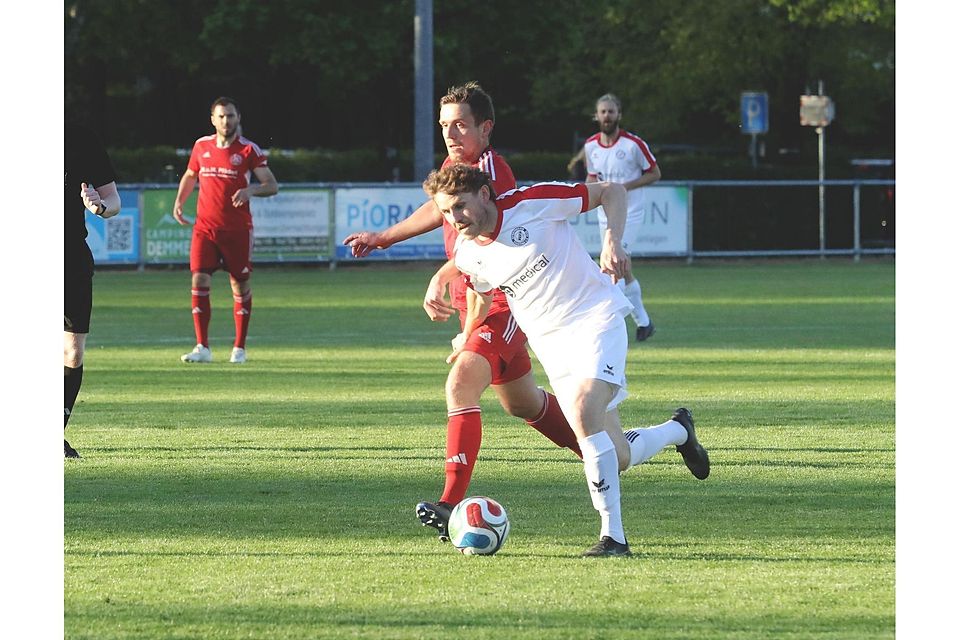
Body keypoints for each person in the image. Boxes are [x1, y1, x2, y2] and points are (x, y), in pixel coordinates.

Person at [423, 163, 710, 557]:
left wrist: (613, 241)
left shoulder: (531, 204)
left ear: (485, 195)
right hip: (552, 347)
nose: (454, 219)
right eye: (445, 212)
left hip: (596, 318)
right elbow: (481, 294)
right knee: (618, 455)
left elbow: (612, 191)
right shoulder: (468, 251)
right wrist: (467, 334)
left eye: (459, 206)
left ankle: (614, 538)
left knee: (581, 411)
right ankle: (679, 430)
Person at [343, 82, 583, 542]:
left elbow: (495, 239)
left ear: (485, 127)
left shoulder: (492, 171)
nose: (450, 134)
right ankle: (610, 450)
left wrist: (444, 275)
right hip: (476, 298)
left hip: (502, 299)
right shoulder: (457, 167)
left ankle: (450, 501)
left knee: (460, 383)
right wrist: (383, 238)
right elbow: (438, 208)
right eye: (444, 126)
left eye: (460, 125)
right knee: (524, 403)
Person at [173, 97, 278, 364]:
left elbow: (271, 184)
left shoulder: (248, 150)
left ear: (238, 118)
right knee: (199, 280)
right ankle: (202, 347)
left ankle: (239, 348)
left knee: (240, 283)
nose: (226, 121)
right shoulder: (201, 146)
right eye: (221, 116)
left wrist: (250, 189)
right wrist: (179, 202)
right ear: (213, 119)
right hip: (205, 228)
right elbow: (190, 175)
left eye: (230, 116)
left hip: (237, 230)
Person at [582, 93, 661, 341]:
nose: (607, 116)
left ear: (619, 115)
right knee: (623, 268)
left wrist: (623, 188)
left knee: (612, 263)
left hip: (631, 213)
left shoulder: (633, 145)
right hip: (604, 215)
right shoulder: (591, 146)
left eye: (611, 111)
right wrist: (583, 199)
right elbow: (592, 179)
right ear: (597, 116)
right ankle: (644, 323)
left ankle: (606, 325)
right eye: (603, 112)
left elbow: (655, 173)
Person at [64, 122, 122, 458]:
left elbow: (113, 200)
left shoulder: (82, 136)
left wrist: (99, 206)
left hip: (71, 256)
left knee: (72, 352)